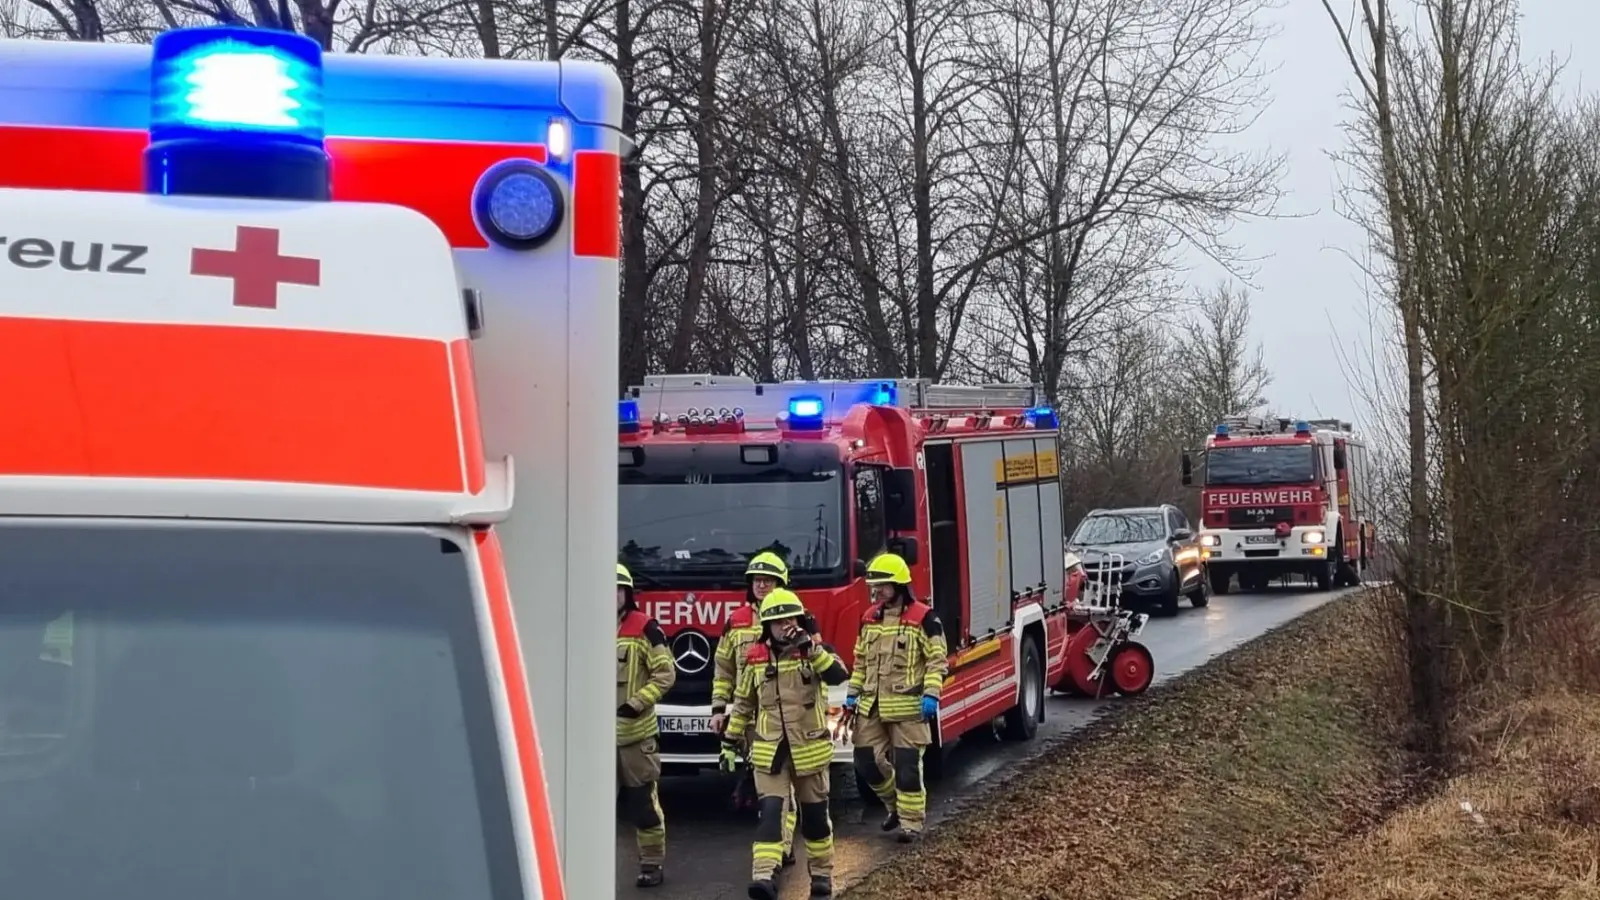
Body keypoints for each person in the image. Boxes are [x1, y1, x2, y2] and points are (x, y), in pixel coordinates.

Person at [723, 589, 849, 899]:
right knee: (770, 812)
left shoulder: (817, 651)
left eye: (789, 619)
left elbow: (838, 676)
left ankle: (821, 874)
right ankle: (765, 876)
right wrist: (729, 740)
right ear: (767, 625)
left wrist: (812, 649)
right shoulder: (754, 657)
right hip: (770, 751)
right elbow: (743, 703)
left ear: (799, 620)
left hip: (810, 750)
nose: (784, 626)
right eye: (776, 621)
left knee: (815, 818)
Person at [844, 551, 948, 843]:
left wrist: (931, 694)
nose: (876, 592)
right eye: (874, 586)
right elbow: (861, 661)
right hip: (872, 706)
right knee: (865, 760)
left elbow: (936, 660)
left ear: (899, 585)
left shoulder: (924, 618)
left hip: (908, 708)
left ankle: (911, 824)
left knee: (907, 768)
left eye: (882, 586)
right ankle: (895, 807)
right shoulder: (869, 618)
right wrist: (852, 695)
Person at [711, 551, 804, 860]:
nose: (762, 586)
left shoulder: (796, 616)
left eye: (768, 580)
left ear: (781, 583)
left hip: (783, 717)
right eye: (757, 581)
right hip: (746, 716)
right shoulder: (735, 621)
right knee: (765, 789)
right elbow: (724, 670)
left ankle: (783, 846)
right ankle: (774, 840)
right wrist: (718, 709)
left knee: (782, 788)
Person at [616, 562, 676, 888]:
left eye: (618, 589)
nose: (612, 595)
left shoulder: (644, 627)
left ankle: (651, 864)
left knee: (643, 807)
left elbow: (666, 674)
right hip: (594, 739)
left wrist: (636, 703)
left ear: (627, 594)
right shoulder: (583, 622)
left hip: (636, 738)